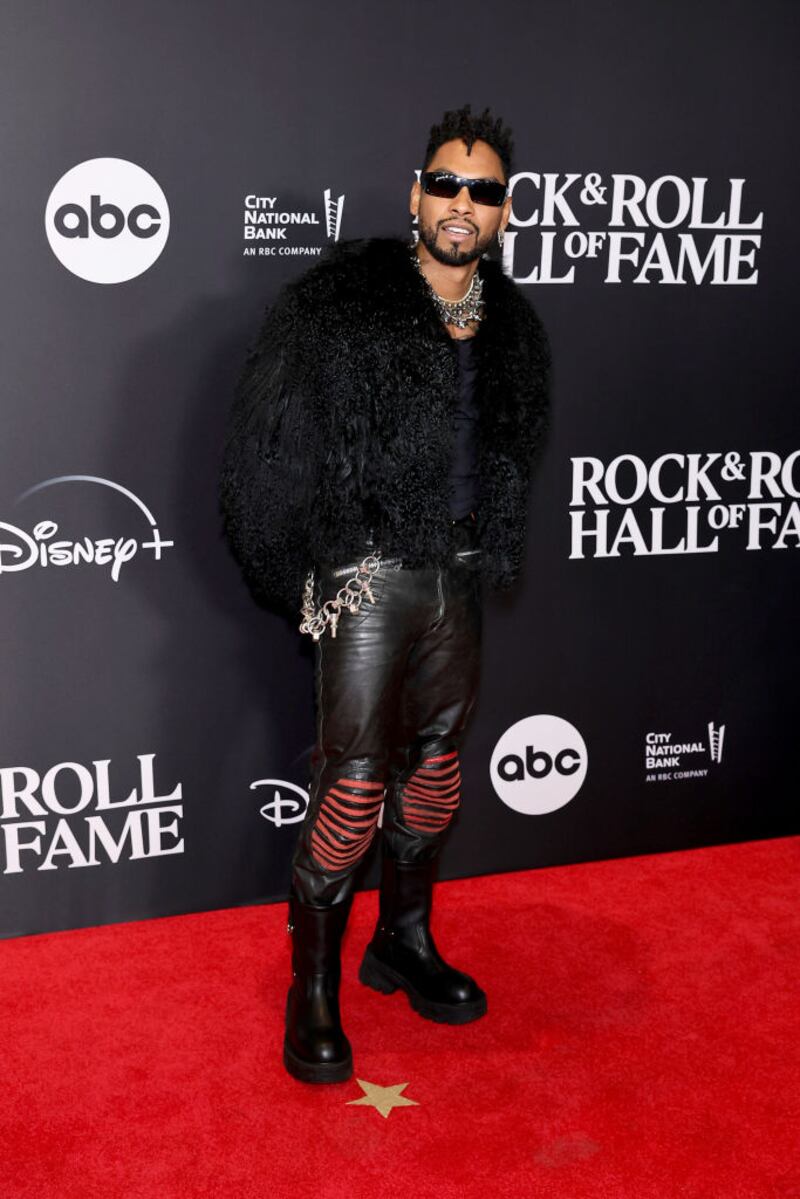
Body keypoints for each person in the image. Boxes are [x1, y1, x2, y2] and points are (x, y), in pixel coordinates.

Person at [218, 103, 551, 1084]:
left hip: (456, 575)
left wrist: (483, 548)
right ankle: (309, 988)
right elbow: (260, 454)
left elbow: (511, 457)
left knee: (436, 768)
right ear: (415, 193)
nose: (460, 202)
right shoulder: (337, 303)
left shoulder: (515, 326)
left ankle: (400, 940)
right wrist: (306, 584)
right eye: (444, 183)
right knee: (352, 785)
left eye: (481, 190)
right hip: (360, 575)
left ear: (501, 211)